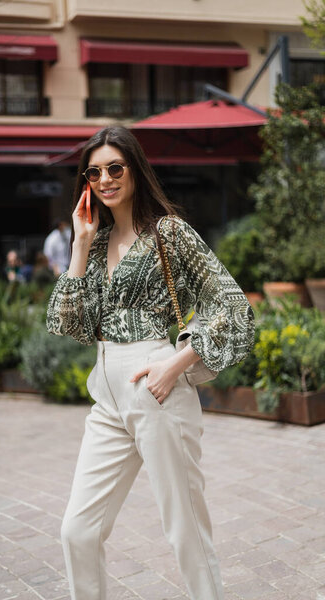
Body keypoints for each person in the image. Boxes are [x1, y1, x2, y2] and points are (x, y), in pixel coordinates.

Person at [46, 126, 255, 600]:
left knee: (185, 531)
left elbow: (232, 305)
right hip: (107, 395)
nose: (105, 179)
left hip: (156, 385)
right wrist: (79, 245)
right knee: (77, 531)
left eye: (114, 168)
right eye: (94, 171)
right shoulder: (95, 243)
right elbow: (68, 322)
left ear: (135, 169)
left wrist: (175, 363)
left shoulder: (170, 232)